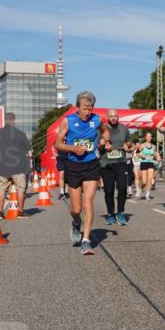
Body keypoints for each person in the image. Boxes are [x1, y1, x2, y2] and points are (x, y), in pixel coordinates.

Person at [54, 91, 108, 255]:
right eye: (84, 108)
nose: (87, 112)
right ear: (77, 107)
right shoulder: (68, 121)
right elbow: (57, 144)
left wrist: (105, 140)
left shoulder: (97, 119)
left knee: (88, 202)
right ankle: (76, 222)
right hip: (73, 166)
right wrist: (72, 148)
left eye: (90, 109)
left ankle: (86, 240)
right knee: (76, 209)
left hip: (91, 164)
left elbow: (105, 131)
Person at [0, 112, 32, 218]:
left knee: (1, 190)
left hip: (2, 167)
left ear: (4, 120)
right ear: (14, 121)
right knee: (21, 189)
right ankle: (20, 211)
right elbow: (29, 151)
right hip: (18, 167)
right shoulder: (20, 134)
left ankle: (0, 212)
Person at [99, 109, 132, 226]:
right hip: (106, 163)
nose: (113, 118)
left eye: (115, 116)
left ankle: (120, 212)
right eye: (111, 116)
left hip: (120, 162)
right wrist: (102, 144)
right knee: (109, 190)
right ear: (107, 117)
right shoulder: (102, 129)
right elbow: (96, 146)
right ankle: (110, 214)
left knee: (122, 188)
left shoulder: (124, 129)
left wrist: (127, 145)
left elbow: (129, 143)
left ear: (118, 117)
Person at [137, 132, 157, 200]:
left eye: (150, 136)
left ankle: (147, 194)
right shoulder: (142, 145)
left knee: (150, 179)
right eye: (147, 136)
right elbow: (137, 153)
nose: (149, 138)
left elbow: (154, 154)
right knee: (144, 181)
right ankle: (141, 188)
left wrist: (156, 156)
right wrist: (141, 155)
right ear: (145, 137)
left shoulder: (154, 146)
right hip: (144, 163)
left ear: (151, 138)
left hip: (151, 163)